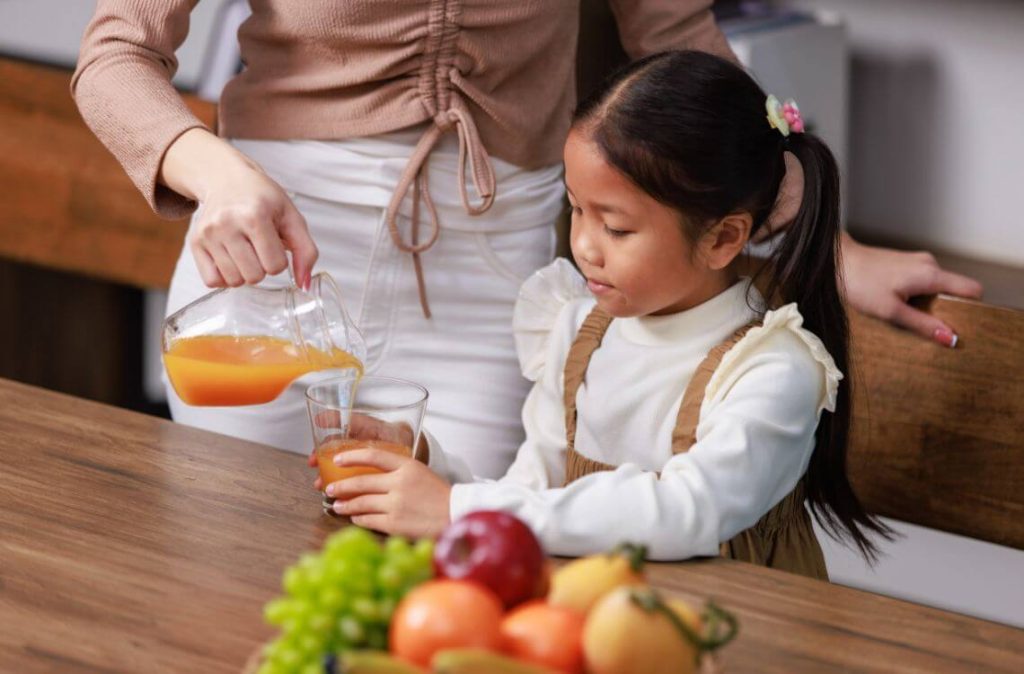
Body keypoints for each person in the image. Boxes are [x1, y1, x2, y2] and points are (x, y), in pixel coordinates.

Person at [72, 0, 737, 478]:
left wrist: (812, 227)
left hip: (487, 278)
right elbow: (116, 55)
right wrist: (217, 176)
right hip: (273, 260)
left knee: (444, 584)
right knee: (233, 571)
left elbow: (681, 40)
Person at [322, 51, 892, 576]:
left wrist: (455, 508)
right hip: (595, 616)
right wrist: (429, 468)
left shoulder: (772, 367)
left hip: (727, 634)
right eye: (576, 209)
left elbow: (686, 512)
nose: (585, 247)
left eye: (616, 227)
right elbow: (533, 494)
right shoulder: (576, 328)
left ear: (723, 238)